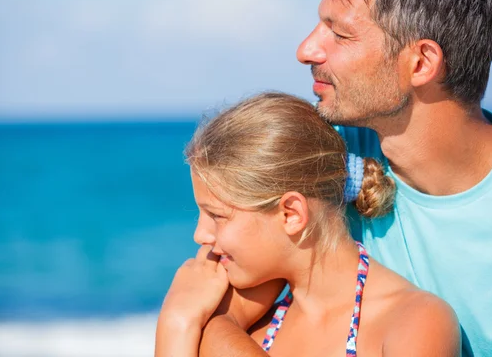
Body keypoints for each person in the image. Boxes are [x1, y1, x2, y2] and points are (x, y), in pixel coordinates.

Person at [194, 0, 492, 357]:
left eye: (341, 33)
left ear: (421, 63)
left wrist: (198, 322)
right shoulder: (327, 153)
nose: (305, 49)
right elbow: (213, 303)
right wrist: (190, 320)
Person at [155, 93, 461, 357]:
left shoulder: (415, 323)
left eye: (217, 216)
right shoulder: (252, 331)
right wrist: (179, 322)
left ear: (291, 214)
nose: (200, 235)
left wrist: (197, 324)